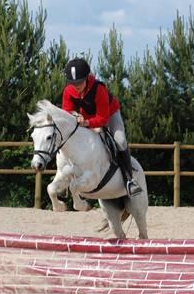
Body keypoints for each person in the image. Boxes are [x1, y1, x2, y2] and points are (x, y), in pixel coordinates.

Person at [61, 57, 142, 197]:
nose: (77, 86)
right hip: (85, 118)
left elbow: (102, 119)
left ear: (87, 77)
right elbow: (67, 110)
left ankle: (130, 180)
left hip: (109, 114)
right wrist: (75, 116)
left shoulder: (98, 89)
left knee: (120, 140)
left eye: (79, 82)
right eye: (73, 83)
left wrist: (86, 123)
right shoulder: (69, 91)